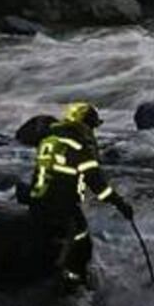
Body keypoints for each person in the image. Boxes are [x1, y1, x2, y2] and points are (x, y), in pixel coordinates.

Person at [29, 101, 133, 289]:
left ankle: (54, 270)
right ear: (85, 124)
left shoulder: (50, 138)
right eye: (93, 125)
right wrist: (121, 204)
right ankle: (72, 282)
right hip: (60, 204)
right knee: (82, 240)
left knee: (57, 237)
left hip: (36, 200)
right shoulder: (79, 145)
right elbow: (98, 185)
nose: (94, 130)